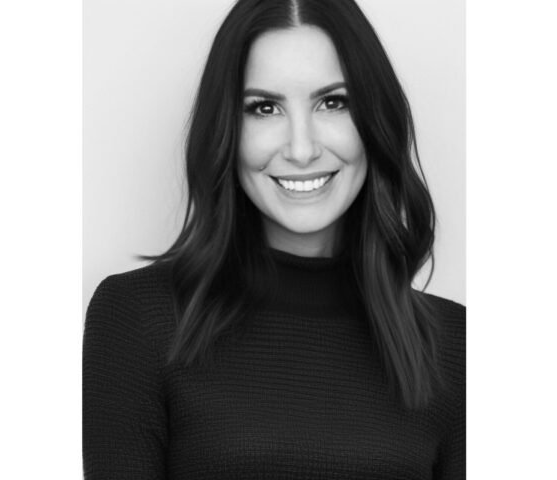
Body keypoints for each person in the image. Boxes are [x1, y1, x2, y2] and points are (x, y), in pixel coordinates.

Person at [83, 0, 465, 478]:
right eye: (264, 108)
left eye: (333, 102)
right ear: (227, 129)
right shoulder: (137, 319)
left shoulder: (458, 347)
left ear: (374, 120)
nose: (301, 149)